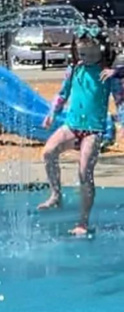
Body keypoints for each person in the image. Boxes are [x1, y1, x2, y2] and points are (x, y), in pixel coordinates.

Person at [38, 25, 124, 236]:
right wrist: (52, 113)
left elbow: (120, 102)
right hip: (71, 125)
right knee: (48, 152)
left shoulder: (107, 74)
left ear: (102, 50)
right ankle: (56, 194)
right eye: (82, 53)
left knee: (84, 171)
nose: (86, 57)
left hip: (94, 130)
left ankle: (83, 222)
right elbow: (62, 94)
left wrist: (122, 124)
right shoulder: (74, 69)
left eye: (91, 53)